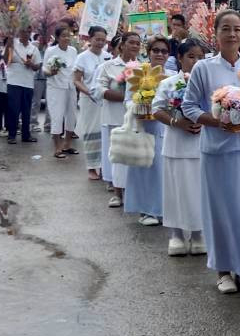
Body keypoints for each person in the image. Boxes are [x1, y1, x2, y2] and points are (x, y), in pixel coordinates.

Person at [183, 11, 240, 294]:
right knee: (220, 210)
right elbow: (189, 107)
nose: (232, 34)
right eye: (226, 29)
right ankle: (223, 270)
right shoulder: (203, 68)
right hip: (217, 151)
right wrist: (217, 119)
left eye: (237, 29)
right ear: (216, 33)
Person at [153, 39, 207, 257]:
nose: (196, 61)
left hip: (201, 145)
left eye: (200, 57)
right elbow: (157, 109)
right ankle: (176, 234)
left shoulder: (208, 85)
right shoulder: (169, 83)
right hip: (175, 143)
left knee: (198, 191)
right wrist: (178, 122)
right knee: (174, 190)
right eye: (191, 57)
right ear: (180, 59)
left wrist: (203, 121)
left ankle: (197, 234)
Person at [123, 36, 170, 226]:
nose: (160, 54)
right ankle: (146, 210)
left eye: (164, 51)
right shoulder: (137, 73)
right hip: (145, 127)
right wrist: (140, 104)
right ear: (148, 52)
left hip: (167, 128)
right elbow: (127, 100)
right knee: (145, 170)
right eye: (156, 50)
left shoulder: (173, 75)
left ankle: (164, 209)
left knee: (164, 172)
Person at [94, 31, 142, 208]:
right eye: (131, 42)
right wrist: (120, 96)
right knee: (115, 155)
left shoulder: (142, 66)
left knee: (130, 155)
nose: (135, 46)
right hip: (114, 116)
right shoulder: (108, 66)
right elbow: (97, 89)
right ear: (122, 44)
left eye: (138, 43)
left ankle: (131, 189)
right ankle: (116, 191)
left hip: (134, 118)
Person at [73, 26, 108, 179]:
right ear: (90, 39)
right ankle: (92, 167)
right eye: (97, 39)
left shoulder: (108, 57)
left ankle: (104, 166)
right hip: (88, 100)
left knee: (104, 133)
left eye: (103, 40)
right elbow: (76, 80)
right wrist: (89, 92)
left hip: (105, 100)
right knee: (91, 133)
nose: (100, 42)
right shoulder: (82, 57)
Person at [42, 25, 80, 160]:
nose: (66, 38)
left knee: (72, 116)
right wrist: (50, 72)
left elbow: (76, 68)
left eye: (68, 35)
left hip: (71, 87)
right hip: (55, 87)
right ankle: (57, 147)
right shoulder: (51, 50)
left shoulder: (73, 50)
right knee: (57, 117)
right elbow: (44, 69)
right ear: (57, 38)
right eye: (63, 36)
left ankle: (67, 144)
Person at [5, 28, 40, 144]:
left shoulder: (34, 48)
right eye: (23, 31)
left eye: (28, 31)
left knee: (26, 110)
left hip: (28, 82)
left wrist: (31, 64)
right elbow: (6, 60)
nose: (25, 34)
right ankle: (12, 135)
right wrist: (7, 46)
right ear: (19, 32)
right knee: (13, 109)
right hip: (14, 81)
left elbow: (38, 66)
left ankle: (26, 135)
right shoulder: (12, 44)